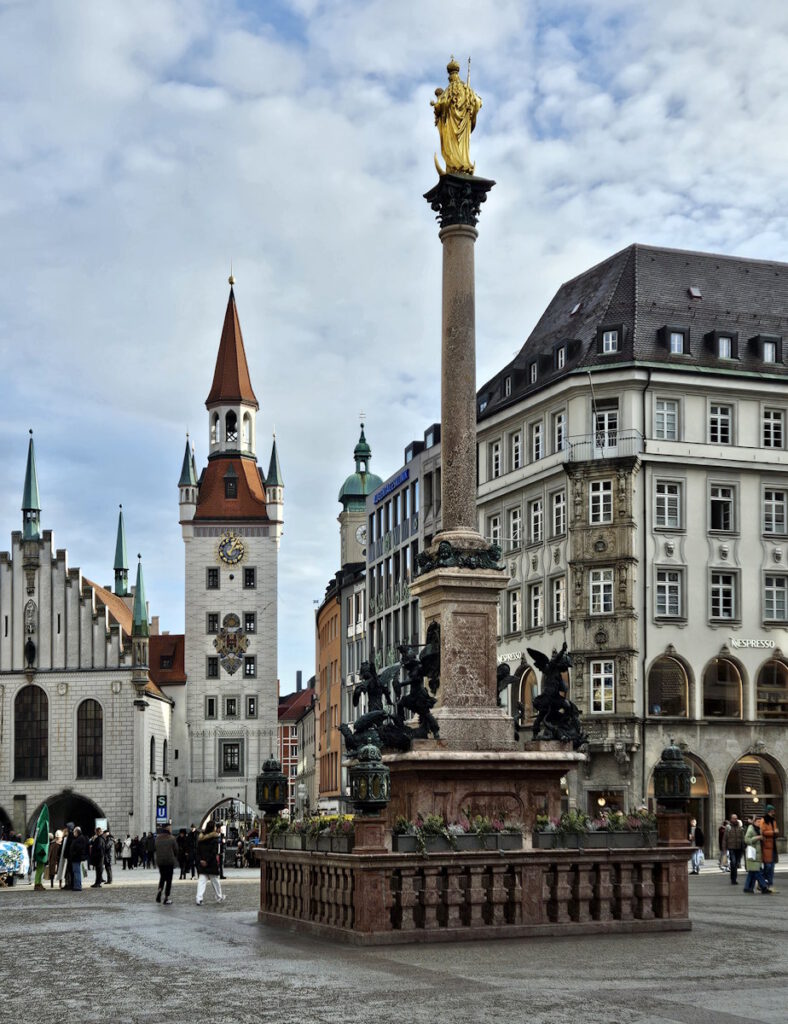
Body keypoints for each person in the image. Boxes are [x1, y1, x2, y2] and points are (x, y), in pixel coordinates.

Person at [195, 820, 225, 905]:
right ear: (213, 828)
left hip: (202, 862)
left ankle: (199, 898)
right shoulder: (214, 838)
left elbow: (198, 851)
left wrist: (201, 860)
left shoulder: (201, 838)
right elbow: (214, 852)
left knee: (201, 882)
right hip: (211, 863)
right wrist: (207, 861)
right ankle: (219, 897)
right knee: (215, 881)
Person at [743, 818, 772, 894]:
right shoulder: (751, 829)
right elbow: (746, 840)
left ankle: (747, 888)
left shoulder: (759, 830)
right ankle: (764, 887)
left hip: (757, 855)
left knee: (752, 872)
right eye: (758, 822)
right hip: (752, 855)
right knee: (757, 872)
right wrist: (758, 837)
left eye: (760, 822)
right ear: (754, 822)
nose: (759, 823)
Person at [757, 805, 779, 892]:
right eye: (773, 810)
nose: (774, 812)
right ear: (769, 811)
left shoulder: (773, 821)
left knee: (771, 867)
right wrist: (773, 832)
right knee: (768, 867)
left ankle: (770, 885)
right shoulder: (763, 820)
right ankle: (761, 883)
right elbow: (762, 831)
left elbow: (775, 831)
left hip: (773, 846)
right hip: (766, 846)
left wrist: (776, 833)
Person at [154, 824, 179, 905]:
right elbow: (176, 850)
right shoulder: (171, 838)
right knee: (168, 880)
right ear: (168, 829)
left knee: (162, 877)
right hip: (169, 861)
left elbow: (155, 849)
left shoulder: (157, 838)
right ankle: (166, 898)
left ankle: (160, 889)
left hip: (160, 861)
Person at [725, 814, 745, 885]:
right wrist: (724, 848)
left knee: (736, 864)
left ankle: (734, 878)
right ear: (731, 819)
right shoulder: (728, 827)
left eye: (736, 818)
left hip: (739, 848)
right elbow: (725, 839)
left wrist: (743, 848)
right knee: (733, 863)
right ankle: (733, 879)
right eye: (733, 818)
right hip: (731, 848)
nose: (735, 820)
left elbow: (742, 838)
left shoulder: (740, 828)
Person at [68, 827, 89, 891]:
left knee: (76, 872)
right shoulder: (79, 838)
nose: (73, 833)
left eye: (74, 832)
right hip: (76, 858)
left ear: (77, 832)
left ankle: (77, 886)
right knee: (76, 872)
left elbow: (78, 849)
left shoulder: (80, 838)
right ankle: (77, 885)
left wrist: (73, 854)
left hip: (76, 858)